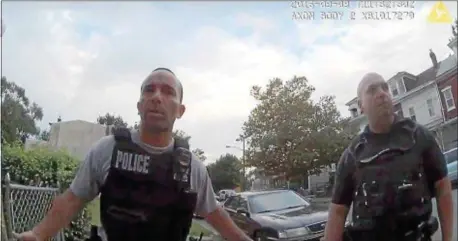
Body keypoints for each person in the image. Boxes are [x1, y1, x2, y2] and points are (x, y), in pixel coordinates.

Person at [16, 68, 253, 241]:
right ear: (139, 105)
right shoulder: (107, 149)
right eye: (149, 90)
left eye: (168, 92)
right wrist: (38, 234)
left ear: (180, 110)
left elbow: (215, 214)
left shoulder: (193, 168)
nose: (156, 97)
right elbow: (72, 199)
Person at [323, 73, 454, 241]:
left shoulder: (419, 137)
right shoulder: (353, 156)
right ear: (361, 106)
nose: (382, 93)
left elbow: (443, 187)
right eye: (372, 90)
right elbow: (338, 212)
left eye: (385, 87)